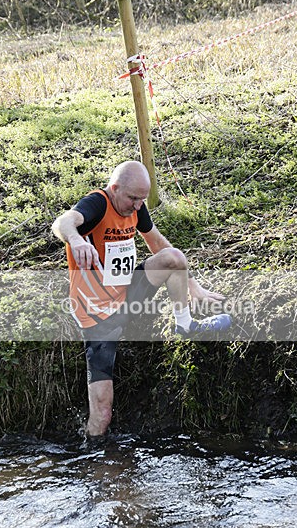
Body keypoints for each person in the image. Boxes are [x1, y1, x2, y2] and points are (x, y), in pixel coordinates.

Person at [52, 160, 231, 437]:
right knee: (102, 414)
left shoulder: (136, 207)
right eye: (133, 198)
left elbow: (157, 242)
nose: (137, 206)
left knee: (173, 258)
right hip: (97, 318)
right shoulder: (98, 204)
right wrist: (75, 240)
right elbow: (63, 222)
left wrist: (191, 283)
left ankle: (185, 325)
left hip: (127, 297)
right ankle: (93, 462)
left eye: (142, 200)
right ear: (115, 188)